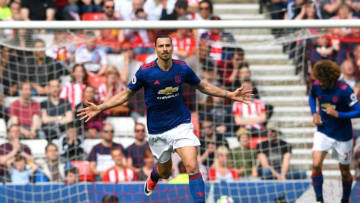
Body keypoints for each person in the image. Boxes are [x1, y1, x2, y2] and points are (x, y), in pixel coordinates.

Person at [77, 33, 252, 203]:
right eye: (161, 46)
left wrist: (229, 94)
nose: (165, 49)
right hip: (157, 130)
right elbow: (125, 95)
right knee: (165, 172)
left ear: (172, 48)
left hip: (181, 124)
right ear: (156, 49)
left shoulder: (181, 68)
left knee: (192, 166)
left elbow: (203, 86)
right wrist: (100, 107)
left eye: (168, 45)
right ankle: (154, 175)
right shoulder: (145, 72)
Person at [308, 60, 359, 203]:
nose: (320, 83)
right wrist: (314, 113)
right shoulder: (316, 85)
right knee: (316, 164)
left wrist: (339, 114)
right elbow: (312, 97)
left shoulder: (344, 89)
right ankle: (319, 199)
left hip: (342, 135)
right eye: (319, 80)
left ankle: (345, 199)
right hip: (323, 131)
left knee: (344, 171)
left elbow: (359, 110)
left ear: (332, 79)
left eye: (323, 81)